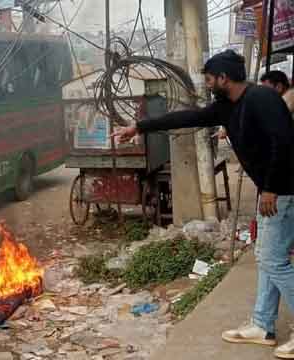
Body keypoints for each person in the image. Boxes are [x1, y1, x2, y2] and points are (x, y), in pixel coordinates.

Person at [112, 50, 294, 359]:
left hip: (283, 191)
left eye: (210, 79)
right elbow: (189, 117)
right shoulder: (227, 107)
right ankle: (263, 325)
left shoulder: (262, 99)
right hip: (273, 189)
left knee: (273, 259)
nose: (208, 85)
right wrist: (139, 127)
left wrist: (272, 189)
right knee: (267, 257)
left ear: (224, 78)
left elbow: (285, 143)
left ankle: (266, 324)